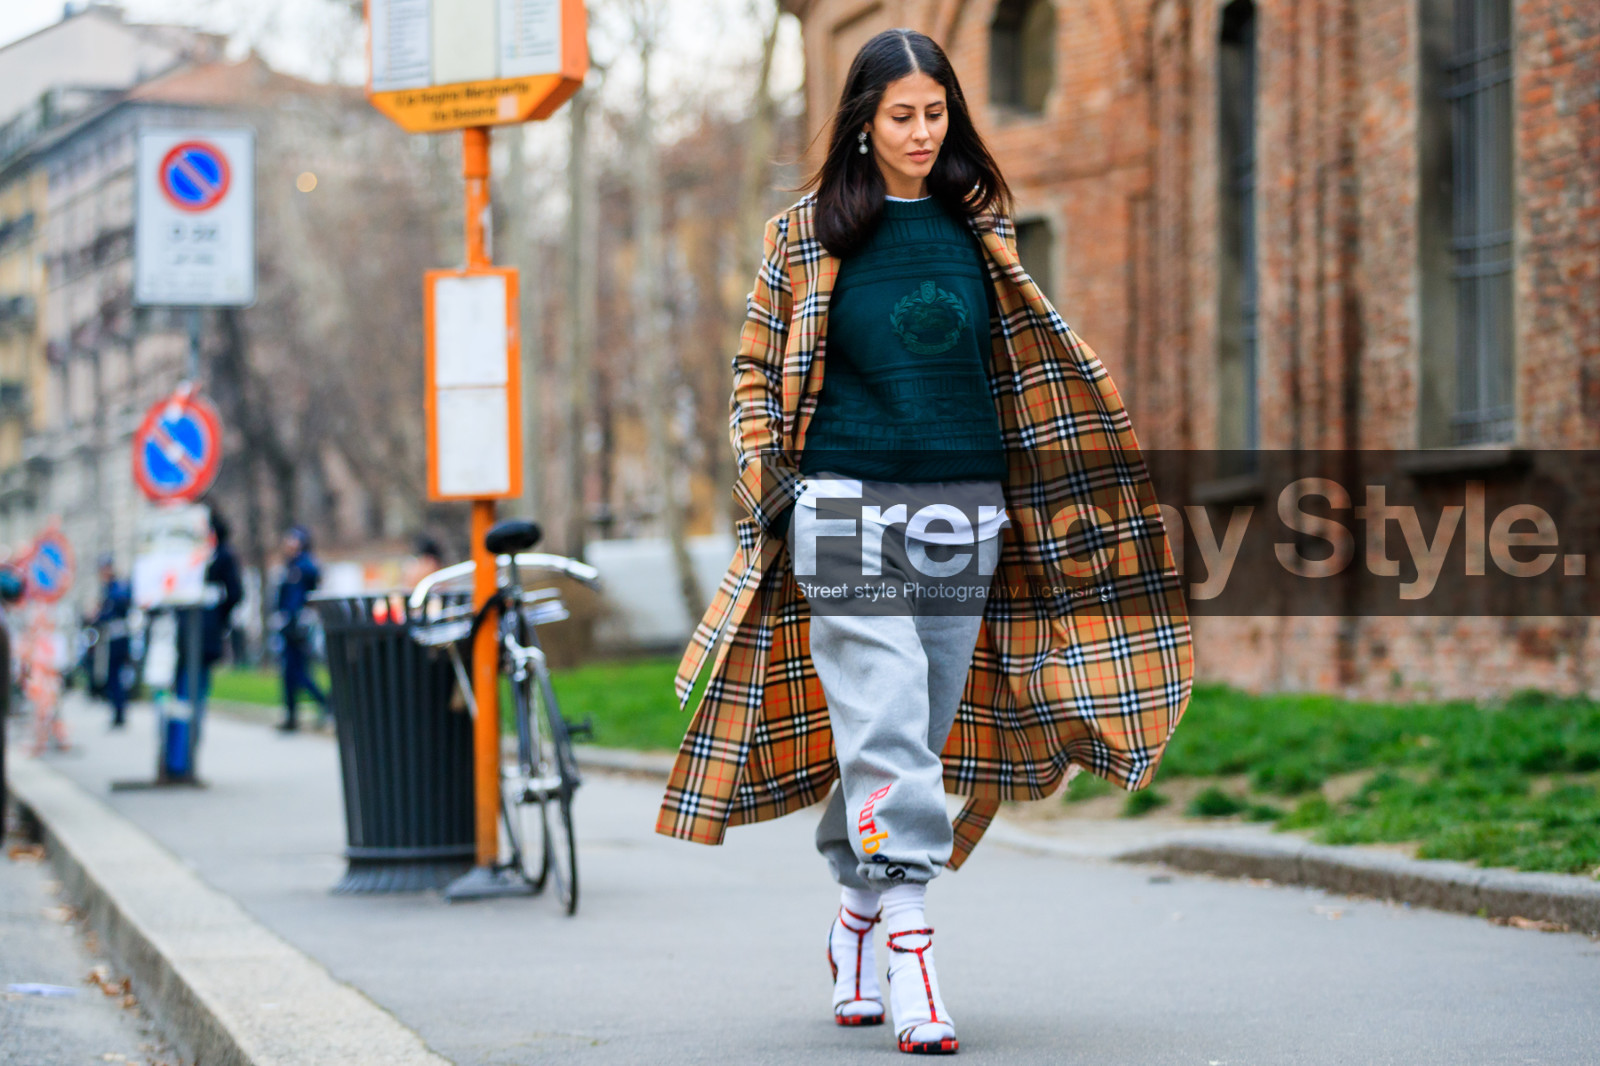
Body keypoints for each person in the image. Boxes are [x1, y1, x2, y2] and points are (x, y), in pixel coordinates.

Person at [655, 29, 1193, 1056]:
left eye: (934, 112)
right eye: (899, 114)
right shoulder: (803, 235)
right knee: (888, 709)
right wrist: (778, 490)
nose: (918, 131)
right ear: (863, 119)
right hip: (844, 505)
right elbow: (754, 379)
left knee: (913, 730)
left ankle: (852, 913)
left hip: (963, 505)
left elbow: (1024, 367)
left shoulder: (978, 225)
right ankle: (909, 937)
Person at [174, 508, 244, 742]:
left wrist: (217, 617)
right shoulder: (189, 553)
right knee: (185, 688)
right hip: (189, 630)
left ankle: (189, 739)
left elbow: (235, 592)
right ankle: (183, 741)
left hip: (204, 631)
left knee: (195, 686)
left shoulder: (221, 555)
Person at [273, 525, 327, 732]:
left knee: (298, 672)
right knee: (288, 673)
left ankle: (325, 702)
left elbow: (312, 589)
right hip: (287, 625)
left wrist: (304, 615)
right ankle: (291, 715)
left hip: (299, 626)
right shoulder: (290, 566)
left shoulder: (305, 565)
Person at [91, 554, 133, 728]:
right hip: (110, 637)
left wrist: (100, 614)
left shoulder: (116, 588)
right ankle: (117, 711)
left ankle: (120, 712)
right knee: (112, 677)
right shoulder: (107, 588)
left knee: (116, 676)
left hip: (118, 637)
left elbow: (119, 606)